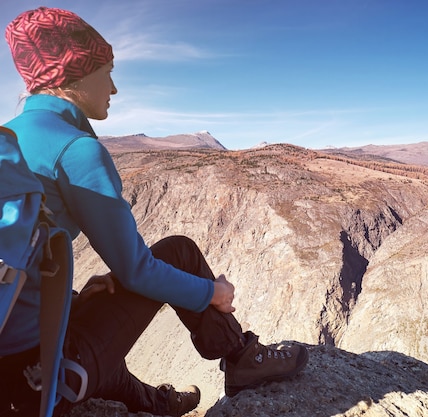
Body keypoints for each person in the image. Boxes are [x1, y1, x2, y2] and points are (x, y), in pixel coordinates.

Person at [0, 7, 308, 417]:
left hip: (10, 360)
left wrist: (69, 297)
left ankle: (154, 402)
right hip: (36, 371)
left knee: (99, 297)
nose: (113, 87)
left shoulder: (12, 136)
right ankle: (240, 357)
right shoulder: (76, 149)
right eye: (106, 71)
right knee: (177, 251)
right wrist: (211, 292)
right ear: (73, 75)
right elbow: (137, 271)